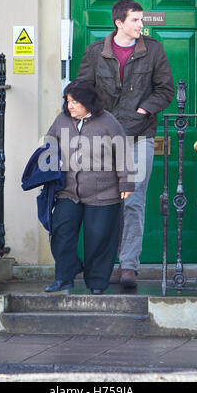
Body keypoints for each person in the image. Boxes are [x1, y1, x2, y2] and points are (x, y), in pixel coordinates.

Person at [76, 0, 174, 289]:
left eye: (141, 20)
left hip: (140, 136)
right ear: (119, 22)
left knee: (133, 200)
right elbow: (82, 91)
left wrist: (143, 109)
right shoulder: (95, 52)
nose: (141, 25)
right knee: (103, 201)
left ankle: (128, 265)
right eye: (135, 20)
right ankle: (103, 264)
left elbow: (166, 89)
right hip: (103, 138)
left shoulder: (153, 49)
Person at [43, 80, 135, 295]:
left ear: (88, 102)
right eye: (68, 101)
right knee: (61, 232)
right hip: (68, 190)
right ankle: (64, 277)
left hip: (104, 191)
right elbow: (49, 140)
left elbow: (122, 152)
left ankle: (97, 282)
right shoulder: (62, 120)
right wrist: (52, 157)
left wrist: (126, 182)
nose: (70, 106)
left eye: (75, 102)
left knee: (99, 237)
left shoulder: (108, 122)